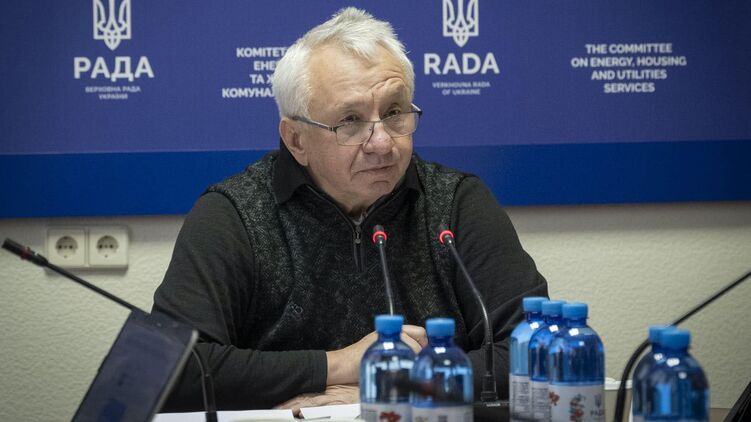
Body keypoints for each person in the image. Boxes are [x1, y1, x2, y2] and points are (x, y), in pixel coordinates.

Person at [152, 7, 548, 412]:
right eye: (350, 121)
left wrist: (392, 387)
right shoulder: (233, 215)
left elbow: (539, 353)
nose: (383, 143)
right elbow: (174, 370)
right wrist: (337, 365)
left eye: (394, 113)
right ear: (296, 139)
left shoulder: (456, 203)